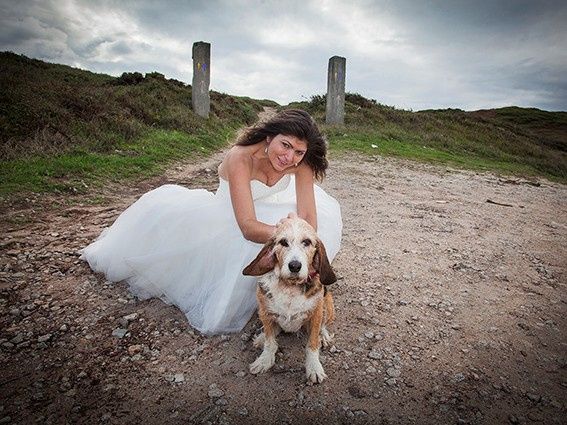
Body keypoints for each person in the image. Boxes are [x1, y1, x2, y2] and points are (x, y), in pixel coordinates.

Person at [80, 109, 342, 335]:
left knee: (315, 228)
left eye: (298, 151)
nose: (289, 157)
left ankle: (291, 290)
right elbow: (248, 226)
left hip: (273, 211)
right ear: (269, 136)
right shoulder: (241, 157)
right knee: (244, 249)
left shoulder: (301, 162)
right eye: (285, 145)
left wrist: (298, 237)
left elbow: (309, 218)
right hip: (229, 216)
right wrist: (288, 235)